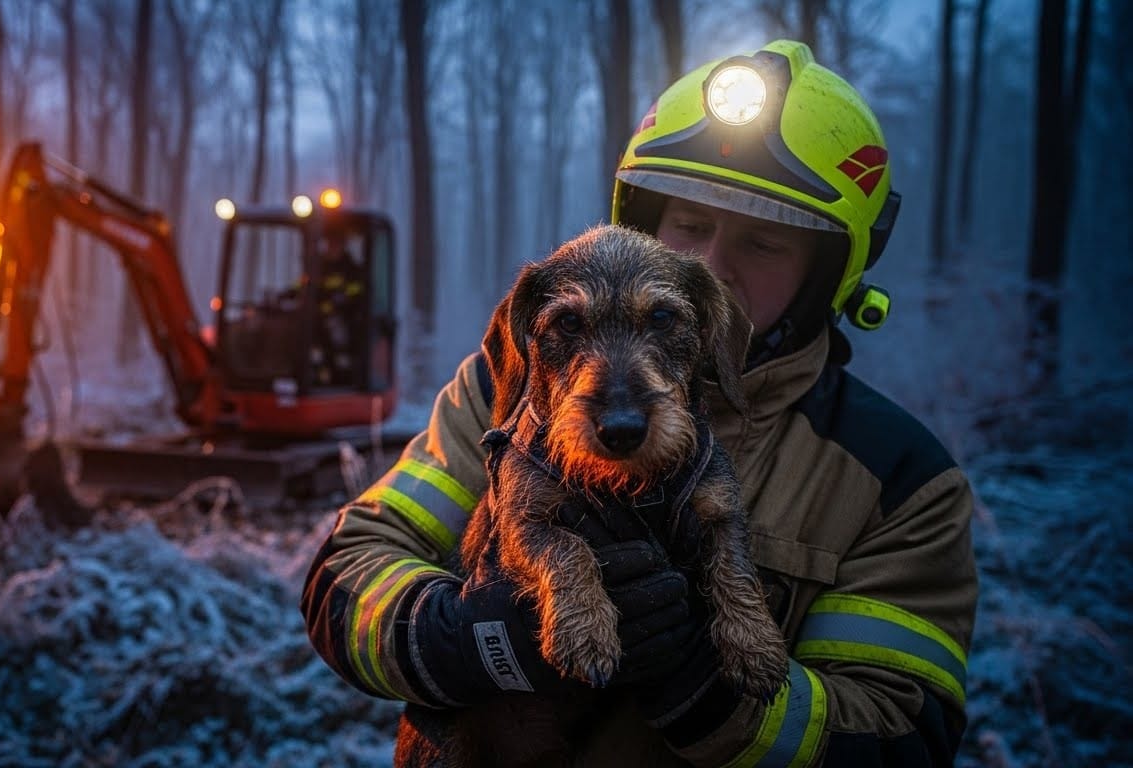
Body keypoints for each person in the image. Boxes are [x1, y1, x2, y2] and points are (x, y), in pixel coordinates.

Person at [301, 39, 977, 766]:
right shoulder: (507, 394)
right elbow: (343, 579)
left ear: (828, 273)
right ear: (641, 223)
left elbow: (903, 739)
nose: (706, 266)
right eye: (689, 224)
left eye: (762, 242)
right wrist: (472, 638)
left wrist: (706, 693)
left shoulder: (897, 479)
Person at [310, 232, 364, 387]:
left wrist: (342, 299)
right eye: (329, 244)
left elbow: (357, 292)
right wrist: (287, 294)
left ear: (342, 246)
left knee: (336, 349)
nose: (331, 248)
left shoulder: (351, 269)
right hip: (316, 320)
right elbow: (304, 284)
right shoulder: (318, 266)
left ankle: (339, 378)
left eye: (335, 244)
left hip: (343, 321)